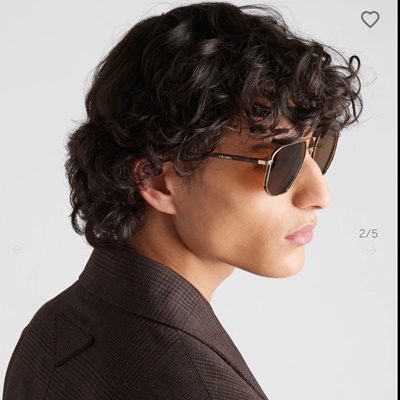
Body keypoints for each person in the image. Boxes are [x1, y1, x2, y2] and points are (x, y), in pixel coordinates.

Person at [3, 2, 362, 399]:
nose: (320, 194)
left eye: (316, 147)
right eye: (281, 160)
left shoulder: (56, 327)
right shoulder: (200, 386)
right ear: (157, 180)